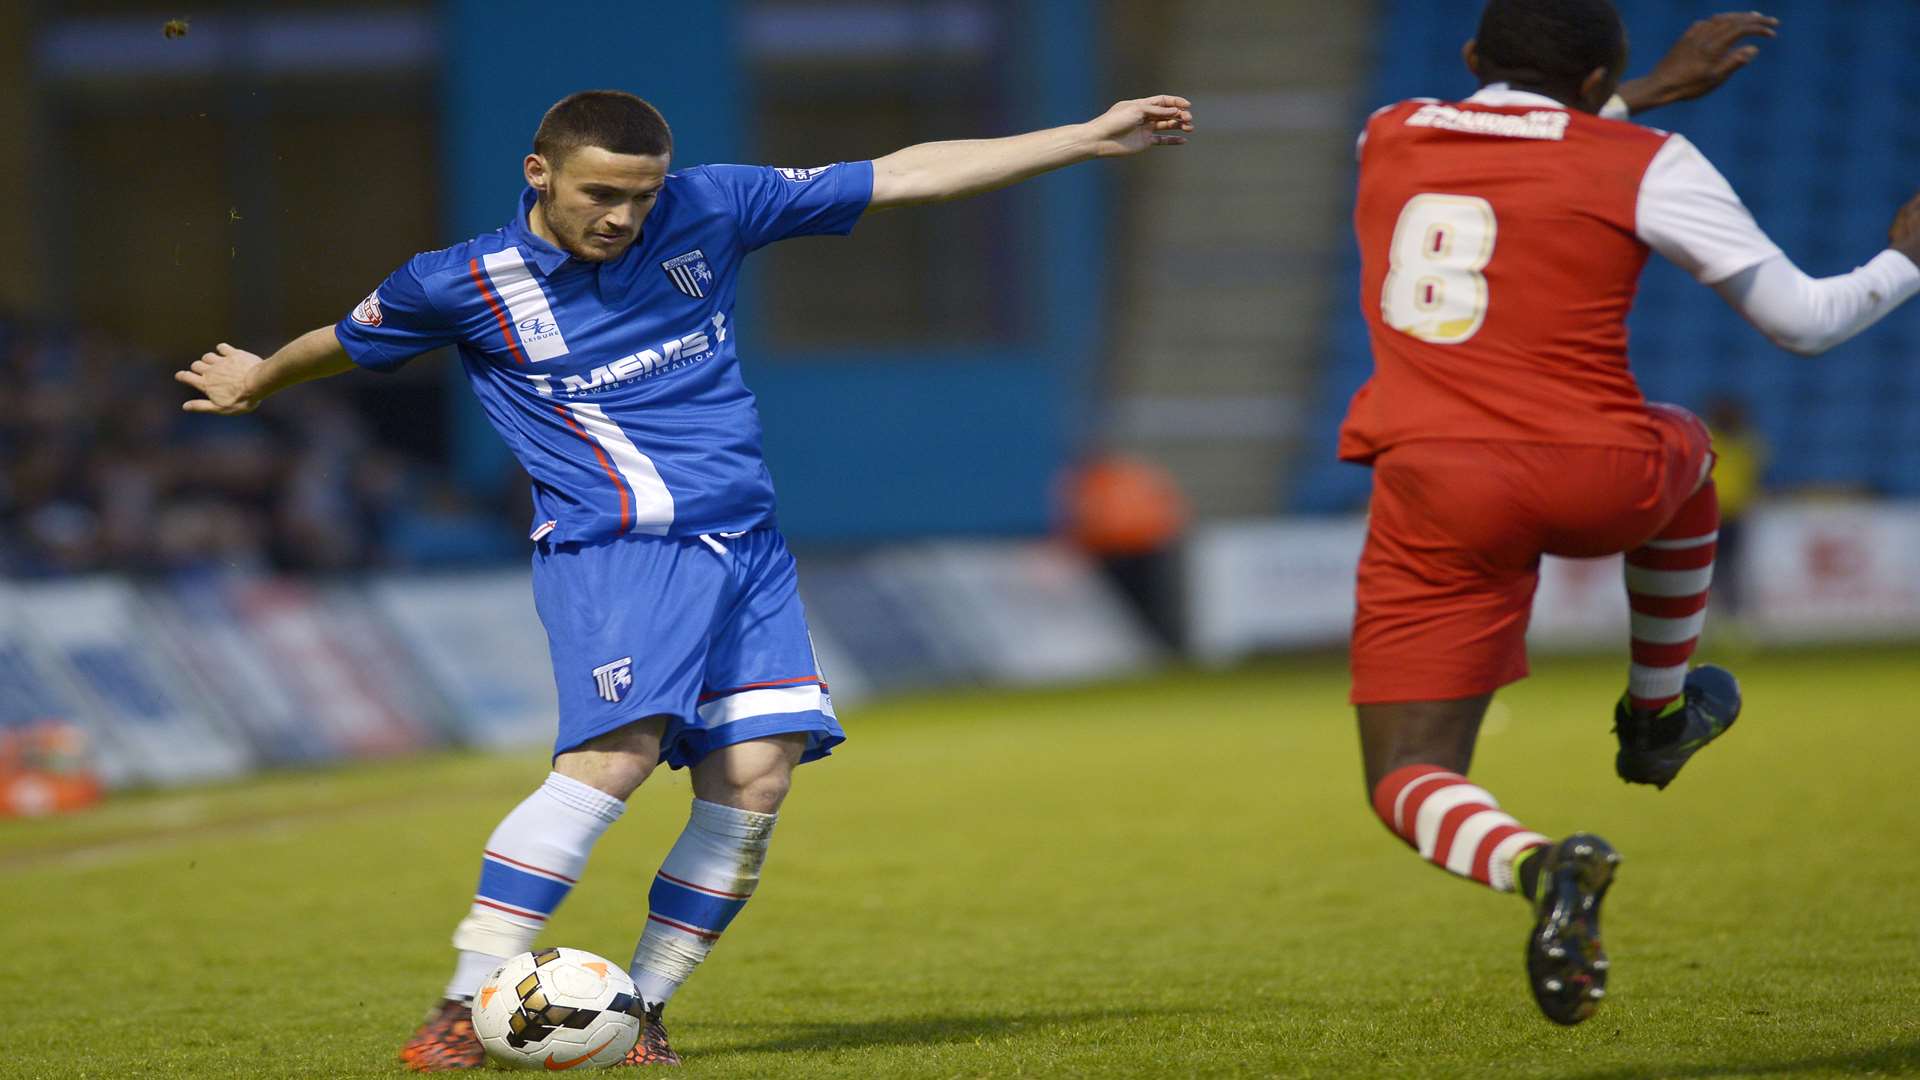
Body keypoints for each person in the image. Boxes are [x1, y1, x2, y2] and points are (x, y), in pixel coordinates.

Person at [176, 89, 1193, 1070]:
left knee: (756, 780)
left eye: (639, 198)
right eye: (598, 196)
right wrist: (261, 376)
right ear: (539, 173)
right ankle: (459, 1006)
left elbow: (903, 176)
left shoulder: (713, 205)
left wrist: (1084, 138)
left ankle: (644, 1011)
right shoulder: (461, 282)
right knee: (613, 763)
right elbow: (345, 343)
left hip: (746, 545)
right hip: (623, 548)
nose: (622, 217)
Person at [1340, 0, 1920, 1026]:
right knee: (1688, 448)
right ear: (1604, 72)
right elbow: (1805, 323)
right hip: (1598, 470)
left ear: (1475, 59)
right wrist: (1906, 257)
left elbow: (1516, 125)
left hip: (1432, 482)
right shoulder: (1648, 160)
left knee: (1408, 776)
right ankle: (1656, 717)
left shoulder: (1389, 130)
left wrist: (1630, 88)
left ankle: (1540, 866)